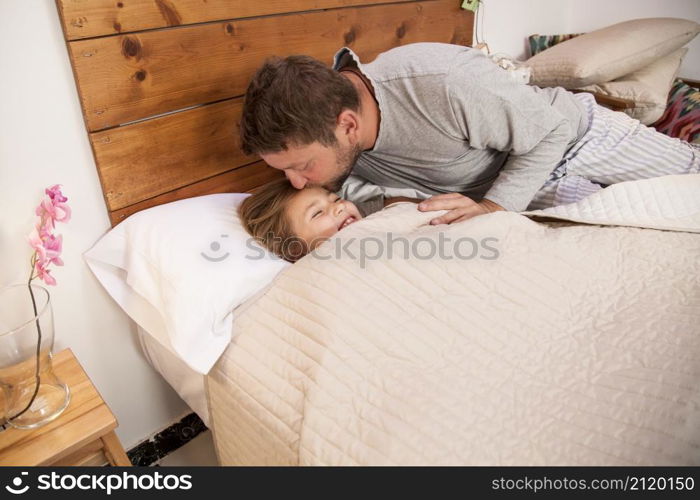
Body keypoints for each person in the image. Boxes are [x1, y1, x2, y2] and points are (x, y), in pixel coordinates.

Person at [239, 43, 699, 225]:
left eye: (300, 167)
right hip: (523, 190)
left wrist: (493, 207)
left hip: (574, 138)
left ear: (348, 125)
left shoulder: (441, 82)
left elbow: (550, 131)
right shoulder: (329, 147)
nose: (298, 181)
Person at [239, 178, 416, 262]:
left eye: (336, 199)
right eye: (317, 213)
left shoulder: (380, 217)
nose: (339, 206)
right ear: (295, 249)